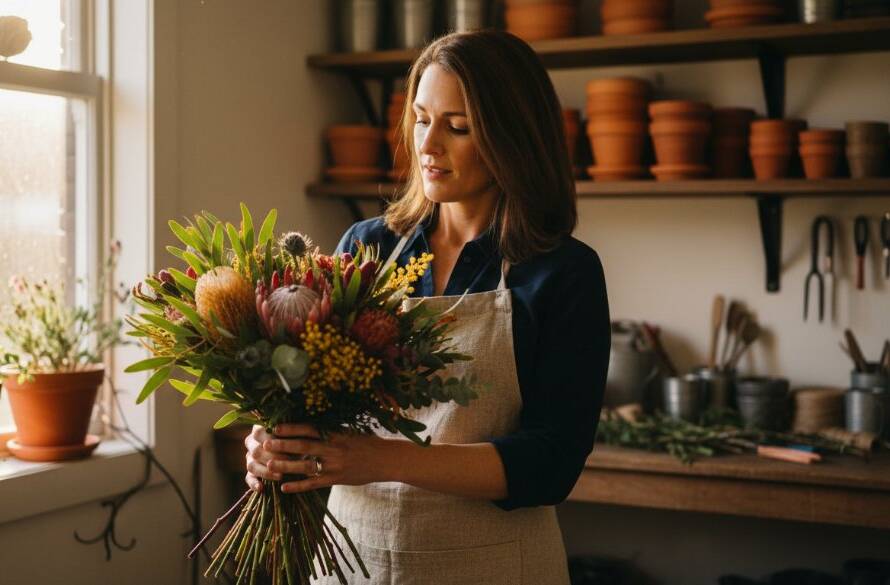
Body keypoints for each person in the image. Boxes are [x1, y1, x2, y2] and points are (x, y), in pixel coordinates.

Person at [245, 29, 610, 585]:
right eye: (420, 118)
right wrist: (273, 442)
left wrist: (384, 460)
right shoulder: (365, 249)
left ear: (511, 139)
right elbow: (311, 403)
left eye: (457, 126)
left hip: (492, 564)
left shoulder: (562, 272)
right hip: (352, 562)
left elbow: (551, 463)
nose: (428, 144)